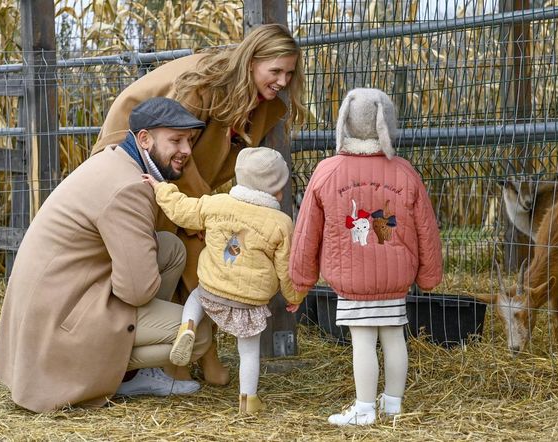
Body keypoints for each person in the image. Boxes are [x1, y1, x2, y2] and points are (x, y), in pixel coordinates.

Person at [92, 23, 306, 385]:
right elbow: (174, 144)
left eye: (289, 72)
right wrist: (207, 211)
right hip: (148, 159)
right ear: (252, 61)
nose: (284, 80)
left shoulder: (262, 103)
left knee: (202, 246)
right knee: (184, 246)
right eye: (276, 71)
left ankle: (195, 356)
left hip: (188, 176)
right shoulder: (203, 84)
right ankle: (180, 358)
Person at [0, 97, 215, 413]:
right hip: (61, 324)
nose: (187, 151)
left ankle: (137, 371)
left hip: (56, 300)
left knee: (170, 248)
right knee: (198, 334)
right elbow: (136, 291)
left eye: (189, 141)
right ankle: (116, 374)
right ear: (144, 139)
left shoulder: (116, 160)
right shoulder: (128, 187)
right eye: (175, 140)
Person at [289, 88, 443, 426]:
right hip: (395, 278)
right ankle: (393, 405)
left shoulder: (327, 171)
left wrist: (299, 279)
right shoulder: (404, 172)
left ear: (344, 122)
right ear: (387, 123)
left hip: (352, 278)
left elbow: (307, 230)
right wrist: (429, 276)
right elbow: (427, 230)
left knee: (362, 341)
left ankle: (364, 409)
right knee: (394, 337)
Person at [142, 146, 306, 413]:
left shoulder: (216, 203)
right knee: (249, 351)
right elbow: (286, 267)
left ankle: (188, 326)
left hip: (212, 288)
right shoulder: (280, 223)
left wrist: (161, 188)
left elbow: (182, 210)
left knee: (196, 295)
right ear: (277, 189)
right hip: (249, 302)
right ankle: (248, 400)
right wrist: (294, 296)